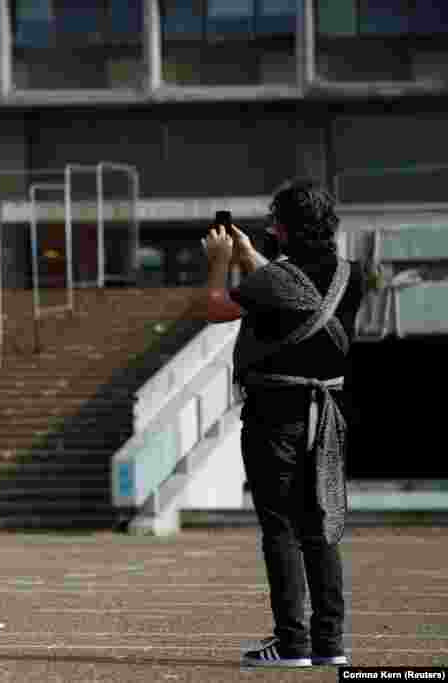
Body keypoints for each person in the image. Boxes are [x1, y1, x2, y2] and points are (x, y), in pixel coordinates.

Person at [198, 180, 365, 668]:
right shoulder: (351, 275)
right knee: (321, 527)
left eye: (275, 220)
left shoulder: (274, 280)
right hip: (327, 412)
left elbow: (214, 308)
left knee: (281, 528)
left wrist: (220, 260)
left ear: (285, 227)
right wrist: (252, 256)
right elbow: (296, 296)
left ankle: (291, 642)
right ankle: (329, 643)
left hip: (276, 415)